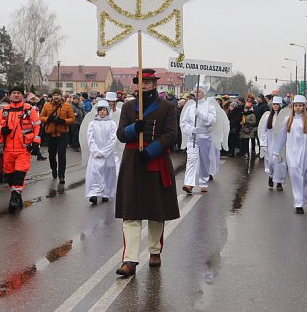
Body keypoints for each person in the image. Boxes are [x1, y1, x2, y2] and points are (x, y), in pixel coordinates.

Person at [115, 69, 179, 277]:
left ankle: (154, 251)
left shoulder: (167, 107)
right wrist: (135, 128)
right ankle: (130, 260)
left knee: (155, 211)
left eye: (148, 82)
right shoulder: (127, 107)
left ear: (155, 84)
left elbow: (171, 135)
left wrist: (151, 151)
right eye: (141, 82)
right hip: (132, 162)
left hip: (155, 159)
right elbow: (121, 134)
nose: (144, 86)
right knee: (131, 213)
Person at [0, 86, 41, 213]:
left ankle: (14, 198)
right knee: (9, 176)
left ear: (22, 96)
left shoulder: (29, 109)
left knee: (19, 174)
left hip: (23, 149)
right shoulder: (5, 110)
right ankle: (17, 195)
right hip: (8, 149)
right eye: (13, 93)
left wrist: (36, 143)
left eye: (18, 93)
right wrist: (1, 129)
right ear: (9, 96)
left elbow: (37, 126)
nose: (15, 95)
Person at [273, 95, 307, 214]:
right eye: (296, 106)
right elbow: (282, 137)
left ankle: (303, 198)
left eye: (300, 106)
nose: (298, 108)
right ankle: (298, 203)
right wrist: (276, 151)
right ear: (293, 107)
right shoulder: (288, 120)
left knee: (306, 178)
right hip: (292, 153)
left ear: (304, 107)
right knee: (295, 176)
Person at [180, 84, 217, 194]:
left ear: (203, 93)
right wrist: (191, 129)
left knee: (205, 161)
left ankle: (203, 182)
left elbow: (211, 121)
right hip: (193, 137)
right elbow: (184, 123)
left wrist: (200, 114)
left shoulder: (210, 107)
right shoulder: (190, 108)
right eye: (195, 92)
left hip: (205, 137)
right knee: (191, 159)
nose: (197, 94)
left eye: (199, 92)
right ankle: (189, 184)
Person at [39, 88, 75, 184]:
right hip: (50, 134)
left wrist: (64, 121)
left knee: (62, 155)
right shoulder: (47, 105)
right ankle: (53, 169)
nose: (56, 96)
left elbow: (72, 119)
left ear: (60, 96)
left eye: (58, 95)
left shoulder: (67, 106)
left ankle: (61, 175)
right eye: (54, 95)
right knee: (51, 154)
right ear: (52, 96)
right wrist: (48, 119)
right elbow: (41, 117)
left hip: (63, 133)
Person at [85, 99, 117, 205]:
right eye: (100, 110)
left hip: (108, 154)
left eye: (104, 110)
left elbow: (113, 139)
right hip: (96, 154)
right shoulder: (92, 124)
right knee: (95, 173)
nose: (102, 112)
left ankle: (106, 193)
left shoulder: (112, 124)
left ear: (107, 111)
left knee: (107, 174)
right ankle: (94, 194)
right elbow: (90, 139)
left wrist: (106, 152)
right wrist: (95, 151)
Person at [259, 96, 286, 191]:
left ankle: (279, 182)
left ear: (280, 106)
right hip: (270, 144)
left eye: (277, 104)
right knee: (271, 162)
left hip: (281, 145)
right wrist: (263, 143)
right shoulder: (268, 117)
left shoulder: (284, 118)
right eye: (274, 104)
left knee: (280, 163)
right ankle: (270, 177)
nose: (275, 106)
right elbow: (264, 131)